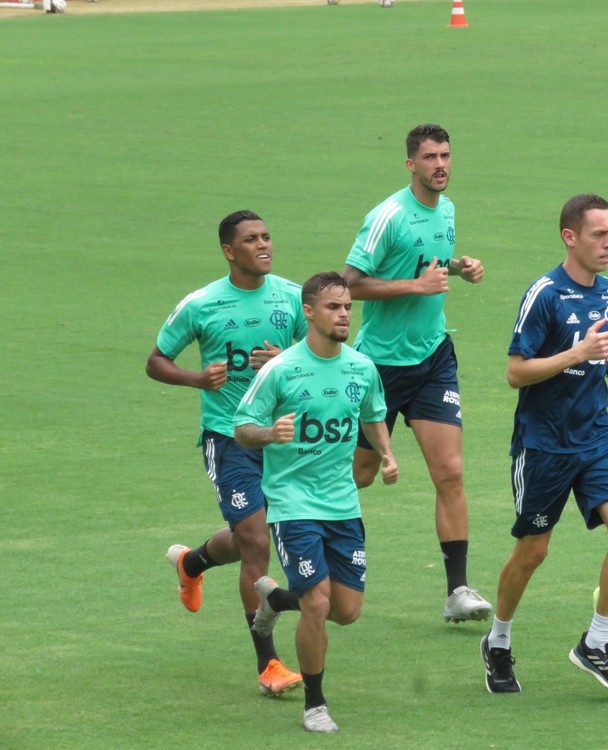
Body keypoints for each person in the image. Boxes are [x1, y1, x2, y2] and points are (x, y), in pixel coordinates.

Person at [480, 193, 608, 695]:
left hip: (597, 438)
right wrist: (579, 353)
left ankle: (597, 642)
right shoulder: (545, 294)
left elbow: (596, 355)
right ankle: (498, 642)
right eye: (599, 234)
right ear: (570, 237)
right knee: (533, 551)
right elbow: (516, 372)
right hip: (544, 444)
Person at [146, 210, 305, 695]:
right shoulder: (202, 304)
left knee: (247, 538)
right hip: (229, 438)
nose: (264, 245)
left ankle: (192, 563)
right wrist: (195, 378)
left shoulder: (292, 297)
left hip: (279, 438)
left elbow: (324, 353)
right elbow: (156, 361)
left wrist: (287, 360)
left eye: (267, 236)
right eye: (251, 239)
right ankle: (268, 663)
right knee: (256, 541)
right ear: (228, 251)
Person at [234, 271, 398, 733]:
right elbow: (241, 427)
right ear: (308, 312)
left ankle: (274, 600)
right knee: (319, 604)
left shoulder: (362, 367)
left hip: (343, 505)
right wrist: (270, 433)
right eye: (333, 307)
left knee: (346, 611)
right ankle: (315, 704)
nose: (344, 314)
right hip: (293, 504)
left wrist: (387, 454)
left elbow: (373, 416)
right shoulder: (281, 369)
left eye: (347, 307)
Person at [342, 123, 491, 623]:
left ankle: (458, 590)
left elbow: (428, 262)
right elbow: (349, 285)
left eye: (445, 155)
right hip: (380, 366)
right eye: (429, 157)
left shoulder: (446, 209)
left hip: (433, 358)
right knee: (359, 475)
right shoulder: (387, 217)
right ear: (411, 164)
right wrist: (415, 286)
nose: (440, 164)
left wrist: (459, 267)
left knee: (450, 472)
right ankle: (301, 514)